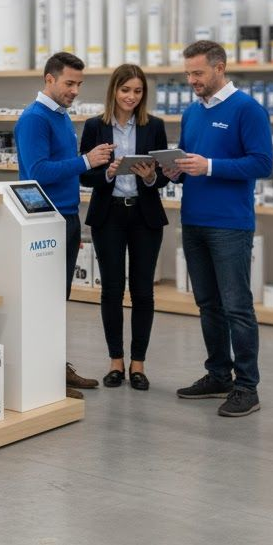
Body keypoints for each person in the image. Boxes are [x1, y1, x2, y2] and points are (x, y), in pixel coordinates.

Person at [166, 40, 273, 417]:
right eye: (187, 74)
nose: (191, 80)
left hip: (230, 224)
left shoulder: (248, 109)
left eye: (197, 73)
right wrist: (173, 171)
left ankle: (247, 387)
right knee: (208, 304)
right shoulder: (192, 113)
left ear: (220, 68)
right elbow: (188, 163)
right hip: (193, 220)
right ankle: (218, 375)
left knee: (237, 306)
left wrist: (209, 166)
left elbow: (262, 164)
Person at [15, 52, 115, 398]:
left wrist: (95, 166)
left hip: (66, 217)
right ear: (50, 79)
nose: (75, 90)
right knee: (44, 300)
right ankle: (44, 377)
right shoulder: (34, 119)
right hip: (45, 220)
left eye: (79, 84)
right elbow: (38, 171)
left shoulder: (60, 115)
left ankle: (56, 369)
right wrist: (86, 160)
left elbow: (64, 168)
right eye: (69, 83)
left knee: (58, 300)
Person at [79, 64, 169, 391]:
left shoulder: (153, 126)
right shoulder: (95, 126)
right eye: (125, 90)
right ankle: (116, 362)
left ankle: (138, 364)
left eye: (138, 91)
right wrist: (107, 172)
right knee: (112, 290)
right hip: (109, 215)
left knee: (143, 291)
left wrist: (150, 176)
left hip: (145, 216)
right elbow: (84, 173)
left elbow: (162, 175)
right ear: (114, 90)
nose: (131, 97)